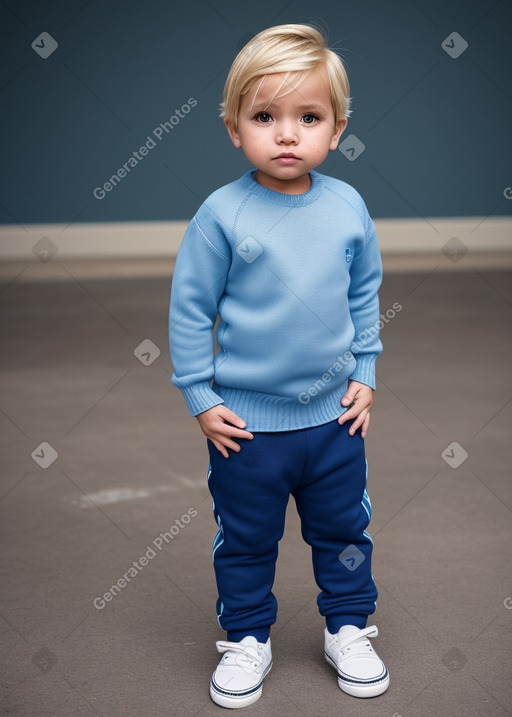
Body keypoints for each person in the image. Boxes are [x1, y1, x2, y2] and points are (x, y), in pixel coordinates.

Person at [168, 23, 389, 709]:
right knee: (245, 536)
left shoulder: (348, 206)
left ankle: (348, 624)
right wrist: (201, 395)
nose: (286, 133)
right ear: (235, 128)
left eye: (308, 117)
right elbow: (188, 309)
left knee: (343, 529)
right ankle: (247, 637)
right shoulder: (221, 215)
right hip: (247, 429)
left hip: (332, 422)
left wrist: (367, 372)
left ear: (337, 127)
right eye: (265, 116)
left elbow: (364, 293)